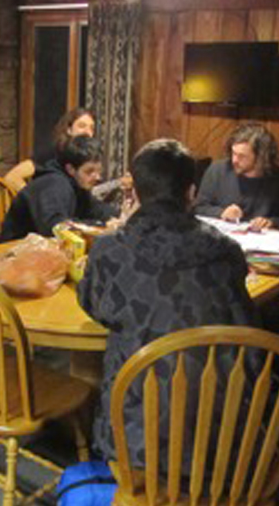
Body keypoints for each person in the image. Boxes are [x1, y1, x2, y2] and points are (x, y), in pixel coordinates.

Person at [77, 138, 258, 464]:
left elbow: (93, 306)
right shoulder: (227, 251)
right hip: (221, 436)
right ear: (190, 191)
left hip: (135, 433)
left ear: (136, 191)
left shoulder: (110, 250)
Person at [0, 135, 116, 241]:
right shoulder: (54, 184)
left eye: (98, 170)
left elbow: (95, 208)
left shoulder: (77, 184)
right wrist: (98, 224)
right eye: (89, 171)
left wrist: (120, 218)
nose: (97, 177)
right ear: (71, 169)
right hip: (14, 249)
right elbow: (55, 227)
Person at [3, 107, 132, 203]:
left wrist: (118, 184)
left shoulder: (86, 159)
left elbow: (86, 195)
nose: (87, 132)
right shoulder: (53, 152)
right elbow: (12, 177)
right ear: (69, 130)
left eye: (92, 128)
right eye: (82, 126)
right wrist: (36, 200)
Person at [194, 122, 279, 229]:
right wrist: (222, 212)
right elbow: (199, 207)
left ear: (260, 158)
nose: (234, 160)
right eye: (233, 153)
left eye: (242, 156)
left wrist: (272, 222)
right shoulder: (217, 170)